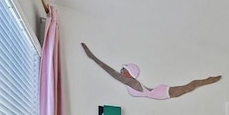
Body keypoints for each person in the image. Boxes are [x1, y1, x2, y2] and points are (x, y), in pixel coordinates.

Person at [81, 43, 221, 100]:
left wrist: (94, 58)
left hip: (161, 92)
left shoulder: (131, 82)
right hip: (158, 92)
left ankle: (208, 80)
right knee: (188, 87)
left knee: (189, 87)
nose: (120, 71)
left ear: (129, 72)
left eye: (123, 70)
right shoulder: (132, 83)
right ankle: (206, 80)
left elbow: (111, 73)